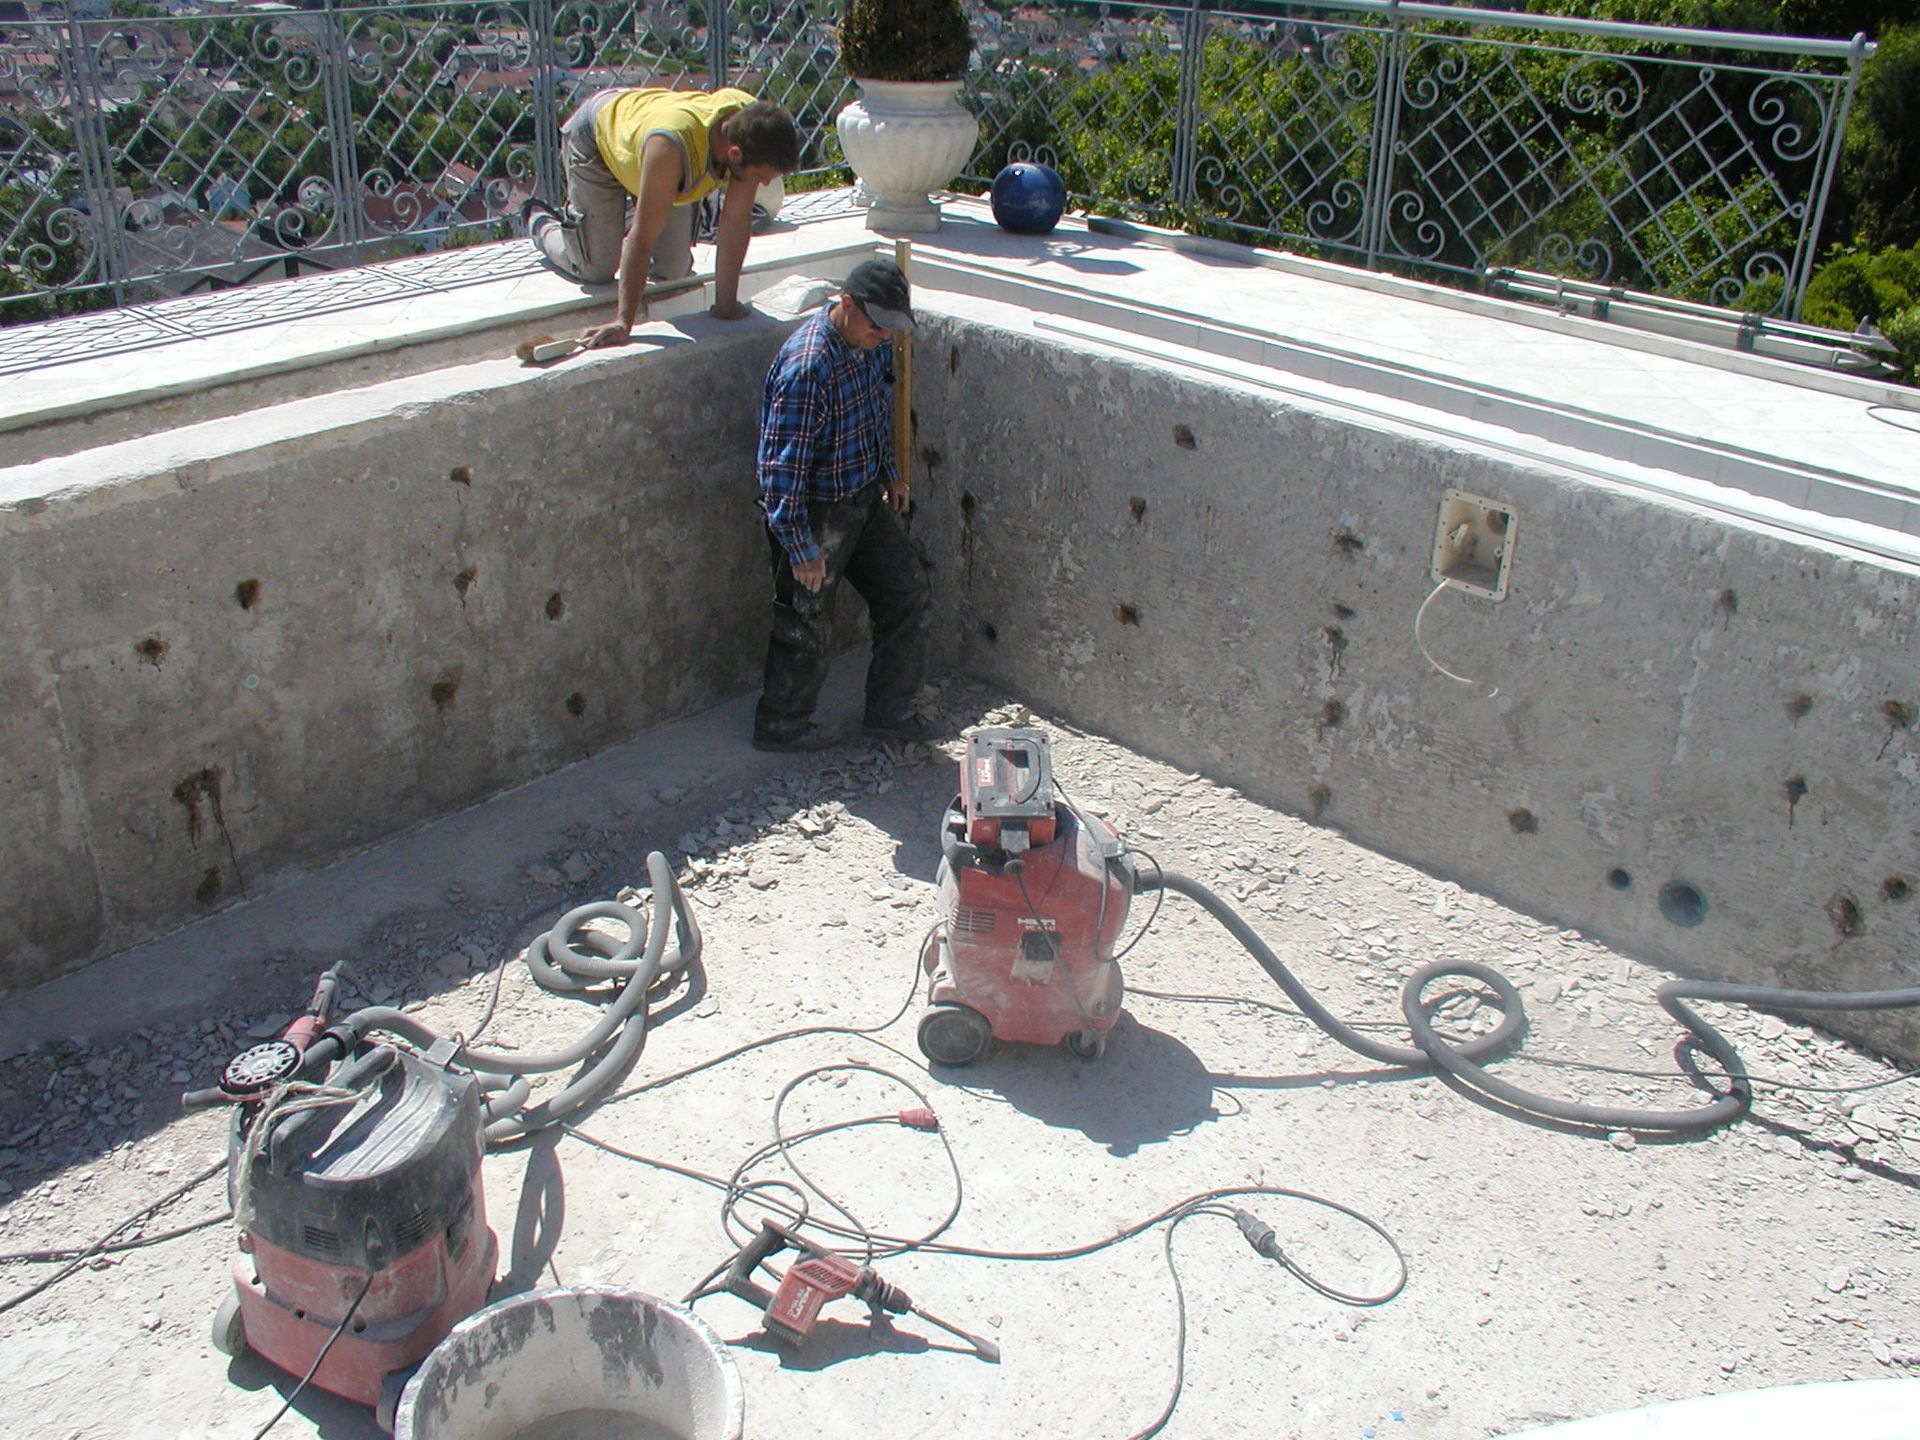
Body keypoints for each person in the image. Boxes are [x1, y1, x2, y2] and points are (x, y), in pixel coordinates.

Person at [752, 259, 934, 753]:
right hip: (812, 514)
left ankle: (890, 712)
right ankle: (781, 725)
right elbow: (779, 472)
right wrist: (799, 548)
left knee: (907, 589)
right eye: (877, 325)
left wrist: (891, 472)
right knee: (806, 621)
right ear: (846, 305)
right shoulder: (808, 367)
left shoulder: (871, 346)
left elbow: (877, 412)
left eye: (891, 328)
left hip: (860, 497)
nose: (884, 335)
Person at [524, 88, 801, 347]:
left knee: (673, 268)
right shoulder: (672, 149)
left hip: (646, 136)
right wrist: (624, 322)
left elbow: (735, 222)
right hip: (599, 139)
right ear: (735, 154)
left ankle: (644, 201)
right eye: (760, 176)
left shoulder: (751, 129)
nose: (763, 184)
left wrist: (726, 306)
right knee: (596, 268)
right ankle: (539, 221)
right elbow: (643, 236)